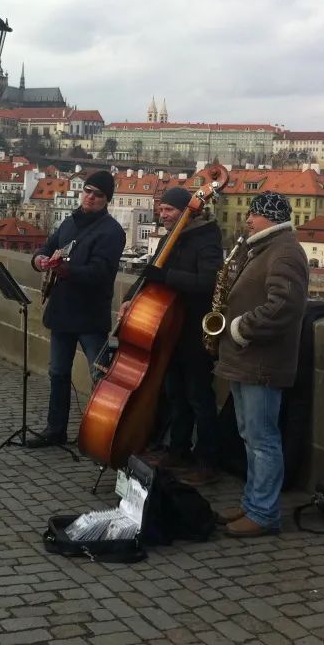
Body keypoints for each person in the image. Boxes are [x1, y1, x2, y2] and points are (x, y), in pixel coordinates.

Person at [213, 191, 308, 538]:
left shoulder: (284, 251)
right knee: (250, 435)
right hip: (246, 360)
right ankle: (253, 502)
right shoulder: (263, 248)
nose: (248, 219)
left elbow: (285, 305)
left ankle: (264, 513)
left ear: (271, 216)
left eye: (254, 214)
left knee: (263, 439)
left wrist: (240, 328)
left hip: (262, 362)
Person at [119, 186, 223, 485]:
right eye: (161, 210)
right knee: (176, 394)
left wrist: (167, 277)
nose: (163, 215)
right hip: (169, 328)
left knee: (199, 398)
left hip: (194, 329)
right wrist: (130, 297)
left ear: (187, 212)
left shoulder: (207, 239)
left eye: (169, 211)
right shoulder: (171, 236)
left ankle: (207, 461)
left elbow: (207, 282)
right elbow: (150, 273)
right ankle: (177, 450)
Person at [28, 170, 126, 447]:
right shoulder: (69, 223)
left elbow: (100, 273)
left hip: (89, 314)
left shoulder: (112, 231)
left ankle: (102, 434)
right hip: (62, 311)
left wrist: (65, 269)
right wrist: (41, 262)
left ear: (106, 200)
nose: (90, 197)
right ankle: (55, 429)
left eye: (98, 194)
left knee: (100, 376)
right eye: (87, 190)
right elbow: (43, 249)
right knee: (57, 372)